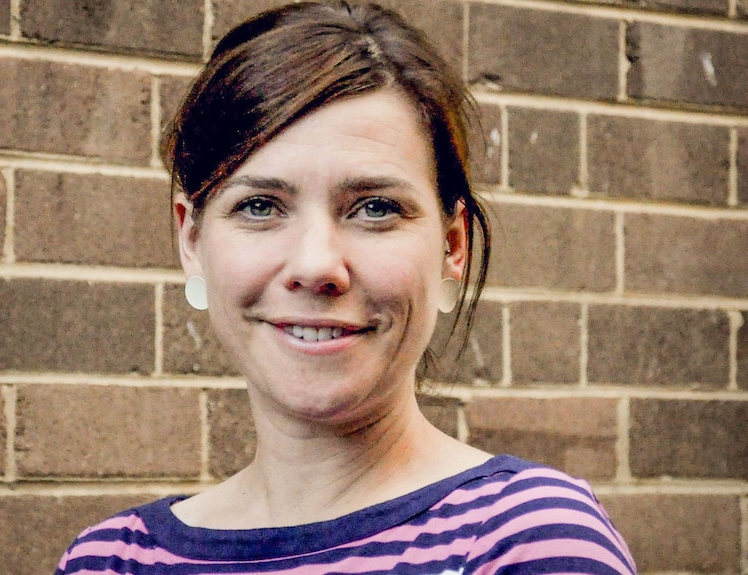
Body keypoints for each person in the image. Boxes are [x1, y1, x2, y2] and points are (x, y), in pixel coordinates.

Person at [54, 2, 636, 574]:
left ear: (452, 247)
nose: (317, 266)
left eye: (375, 208)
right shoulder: (111, 560)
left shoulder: (527, 539)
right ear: (192, 240)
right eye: (259, 206)